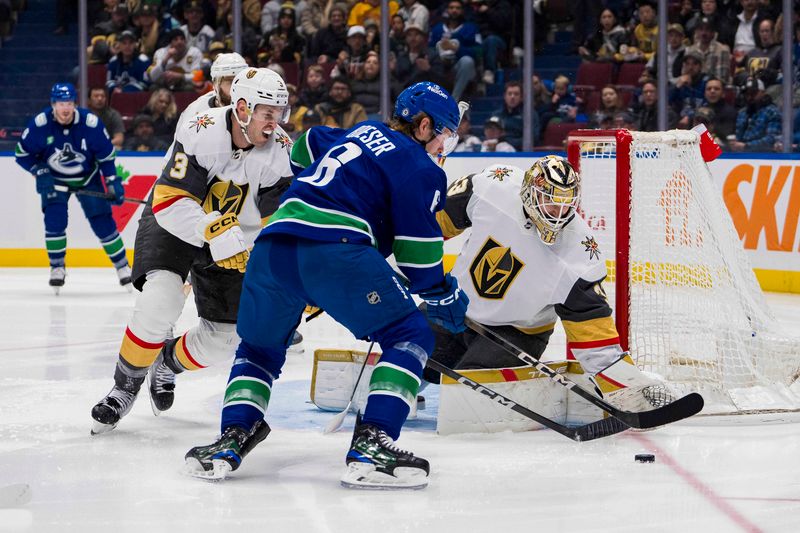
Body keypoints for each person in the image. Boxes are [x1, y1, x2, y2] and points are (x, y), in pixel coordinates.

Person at [184, 81, 469, 490]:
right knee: (410, 334)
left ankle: (231, 438)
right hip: (335, 250)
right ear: (424, 126)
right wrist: (441, 291)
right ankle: (374, 442)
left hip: (274, 246)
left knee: (259, 349)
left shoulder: (359, 132)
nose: (444, 146)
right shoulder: (421, 167)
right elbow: (417, 256)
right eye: (443, 134)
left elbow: (307, 143)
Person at [90, 68, 295, 435]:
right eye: (269, 113)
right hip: (176, 224)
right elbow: (170, 200)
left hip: (234, 241)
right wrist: (212, 228)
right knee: (161, 302)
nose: (275, 123)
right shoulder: (201, 128)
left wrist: (290, 274)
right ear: (244, 108)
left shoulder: (280, 149)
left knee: (225, 338)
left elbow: (278, 221)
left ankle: (167, 363)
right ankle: (124, 387)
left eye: (280, 113)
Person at [426, 156, 675, 414]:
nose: (557, 214)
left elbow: (593, 334)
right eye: (550, 203)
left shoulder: (579, 254)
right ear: (529, 193)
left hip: (516, 334)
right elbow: (432, 225)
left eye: (565, 206)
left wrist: (625, 388)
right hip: (453, 306)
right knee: (406, 346)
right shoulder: (492, 187)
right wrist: (402, 255)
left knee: (469, 400)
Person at [14, 82, 130, 293]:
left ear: (75, 104)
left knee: (102, 222)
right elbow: (22, 155)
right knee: (54, 222)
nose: (65, 108)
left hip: (88, 177)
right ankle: (57, 267)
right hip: (54, 181)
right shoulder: (40, 124)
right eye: (60, 103)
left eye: (68, 103)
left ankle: (123, 267)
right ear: (53, 104)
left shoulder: (91, 124)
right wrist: (39, 170)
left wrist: (113, 181)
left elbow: (106, 156)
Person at [178, 52, 248, 128]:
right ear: (216, 84)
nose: (236, 87)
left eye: (241, 81)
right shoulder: (196, 111)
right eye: (231, 81)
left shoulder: (257, 109)